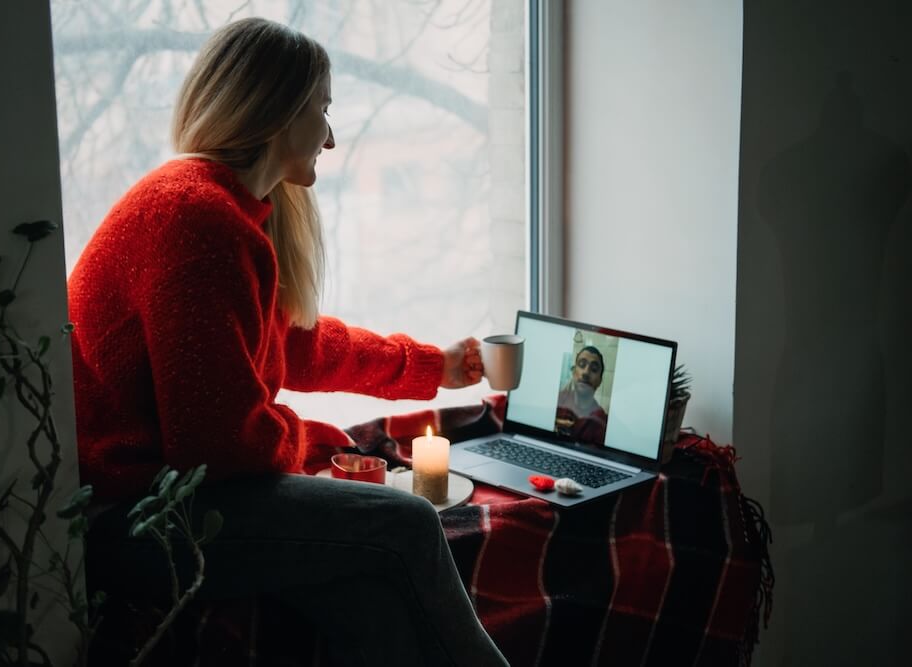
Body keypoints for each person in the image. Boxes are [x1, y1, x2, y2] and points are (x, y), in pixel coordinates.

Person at [68, 17, 509, 667]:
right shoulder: (196, 219)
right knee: (409, 521)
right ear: (275, 110)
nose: (330, 138)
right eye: (322, 110)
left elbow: (296, 346)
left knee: (371, 591)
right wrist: (317, 442)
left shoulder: (224, 208)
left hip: (165, 500)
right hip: (132, 521)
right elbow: (221, 445)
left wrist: (430, 368)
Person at [555, 346, 608, 445]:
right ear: (574, 372)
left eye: (594, 369)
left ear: (600, 381)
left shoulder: (601, 422)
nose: (586, 372)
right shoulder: (557, 400)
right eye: (582, 364)